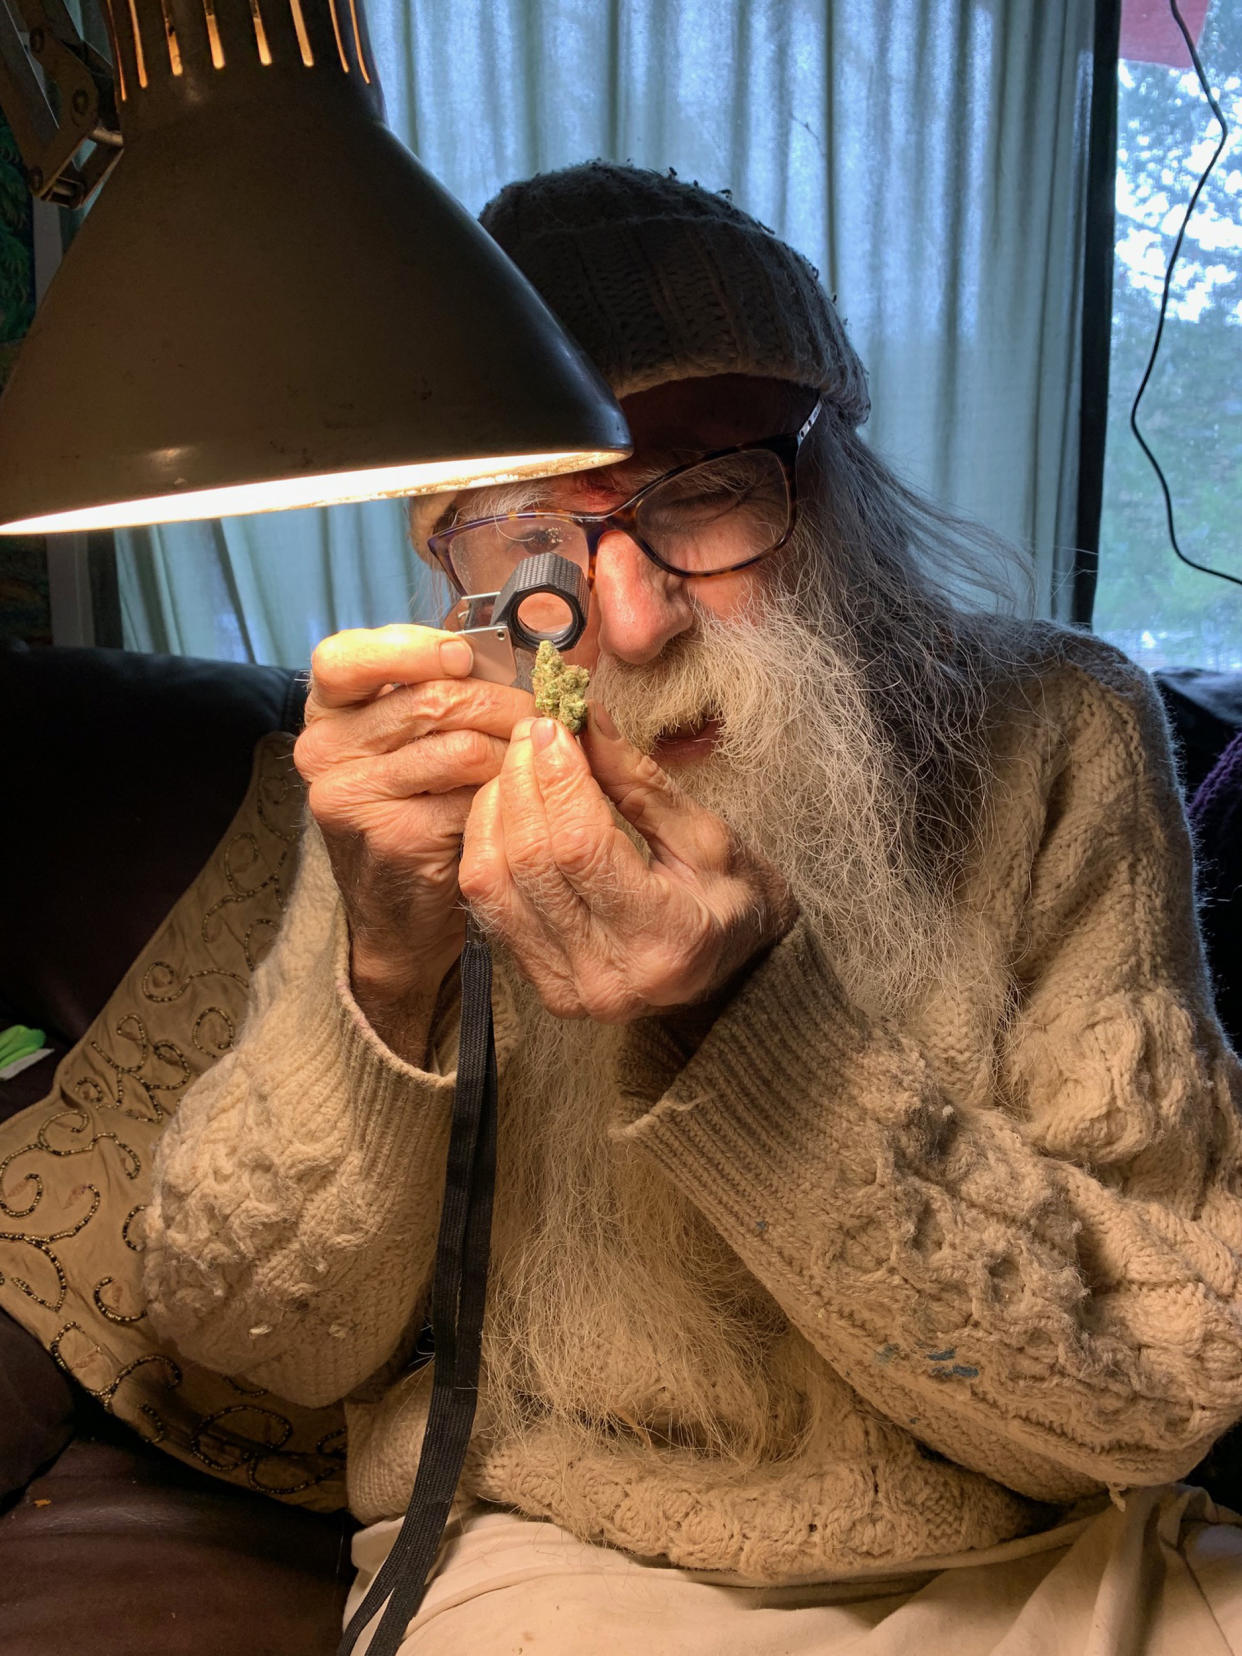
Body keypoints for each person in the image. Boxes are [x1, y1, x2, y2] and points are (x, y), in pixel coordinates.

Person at [142, 162, 1242, 1654]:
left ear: (833, 481)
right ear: (452, 556)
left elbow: (1163, 1382)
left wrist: (742, 1023)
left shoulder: (1055, 728)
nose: (636, 621)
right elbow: (256, 1336)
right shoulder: (406, 775)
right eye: (533, 529)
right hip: (570, 1549)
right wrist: (383, 969)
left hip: (1049, 1532)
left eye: (712, 491)